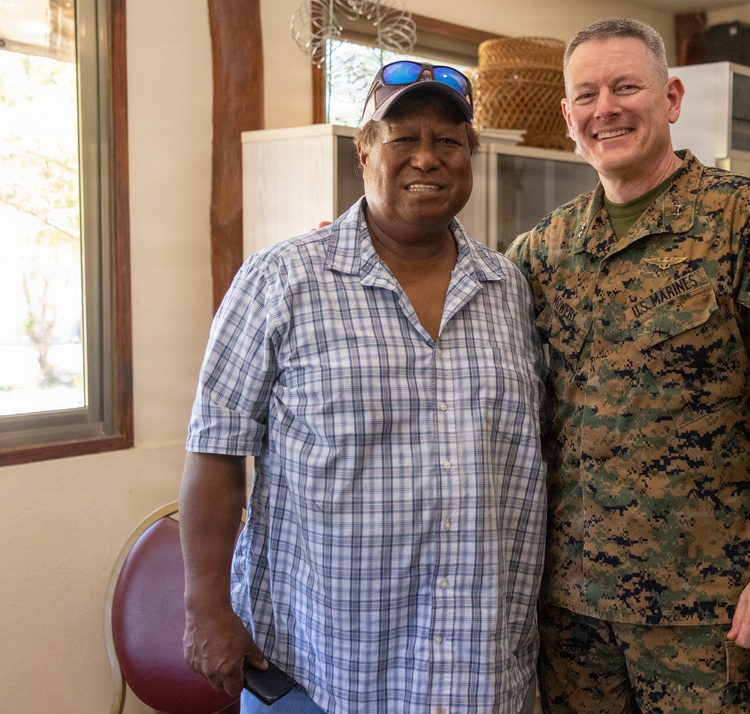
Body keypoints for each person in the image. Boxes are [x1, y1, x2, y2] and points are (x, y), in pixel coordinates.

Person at [505, 18, 750, 714]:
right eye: (586, 95)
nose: (605, 109)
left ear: (670, 98)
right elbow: (459, 303)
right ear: (567, 116)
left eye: (626, 87)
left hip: (704, 607)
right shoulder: (546, 249)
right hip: (571, 607)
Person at [180, 61, 546, 714]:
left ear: (472, 156)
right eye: (403, 138)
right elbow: (215, 447)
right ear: (364, 151)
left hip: (481, 673)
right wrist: (205, 607)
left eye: (449, 141)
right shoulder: (279, 281)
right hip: (321, 672)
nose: (427, 159)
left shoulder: (509, 289)